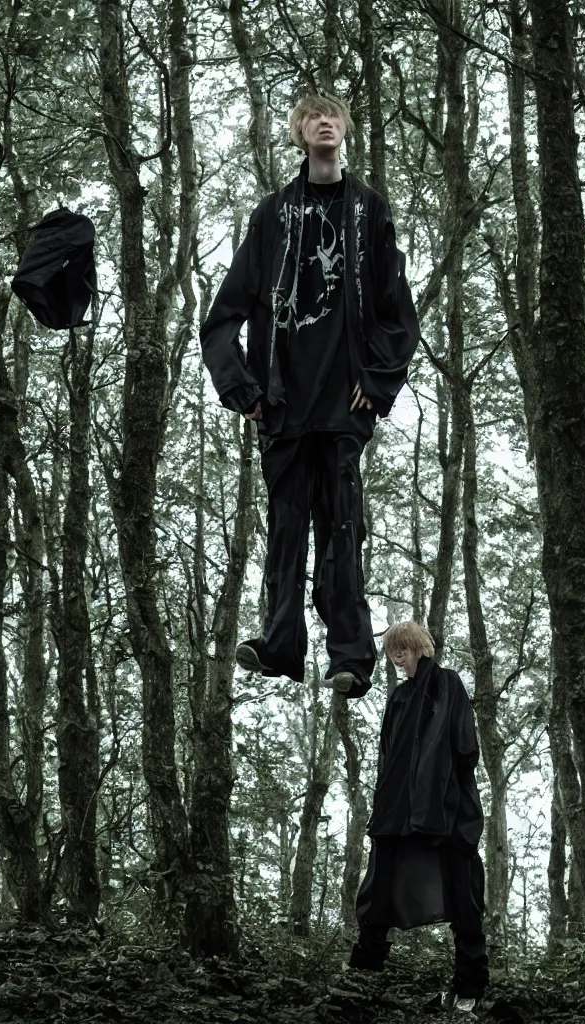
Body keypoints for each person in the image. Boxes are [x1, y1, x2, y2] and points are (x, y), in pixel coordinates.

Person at [199, 93, 420, 698]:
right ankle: (279, 645)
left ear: (345, 129)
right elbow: (222, 318)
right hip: (283, 408)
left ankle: (350, 656)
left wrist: (375, 386)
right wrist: (242, 388)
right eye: (311, 116)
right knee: (286, 530)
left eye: (335, 115)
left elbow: (399, 313)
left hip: (343, 409)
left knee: (342, 531)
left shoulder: (368, 212)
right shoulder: (271, 216)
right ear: (298, 135)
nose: (325, 121)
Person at [349, 621, 488, 1011]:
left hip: (444, 806)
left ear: (421, 647)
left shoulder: (448, 683)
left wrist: (441, 788)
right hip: (396, 809)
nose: (398, 653)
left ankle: (470, 986)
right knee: (379, 885)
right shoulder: (398, 698)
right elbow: (388, 753)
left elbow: (465, 745)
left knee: (462, 887)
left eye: (405, 646)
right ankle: (363, 978)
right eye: (393, 647)